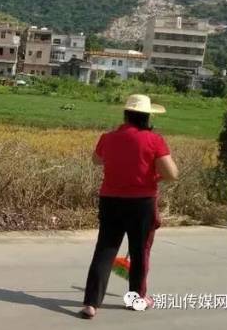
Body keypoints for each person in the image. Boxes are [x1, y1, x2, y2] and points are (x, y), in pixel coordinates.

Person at [81, 94, 179, 319]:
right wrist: (153, 176)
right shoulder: (154, 140)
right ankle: (137, 298)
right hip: (141, 203)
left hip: (110, 201)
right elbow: (172, 174)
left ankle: (91, 303)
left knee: (105, 250)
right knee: (140, 251)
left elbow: (96, 160)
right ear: (147, 117)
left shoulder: (108, 137)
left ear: (126, 114)